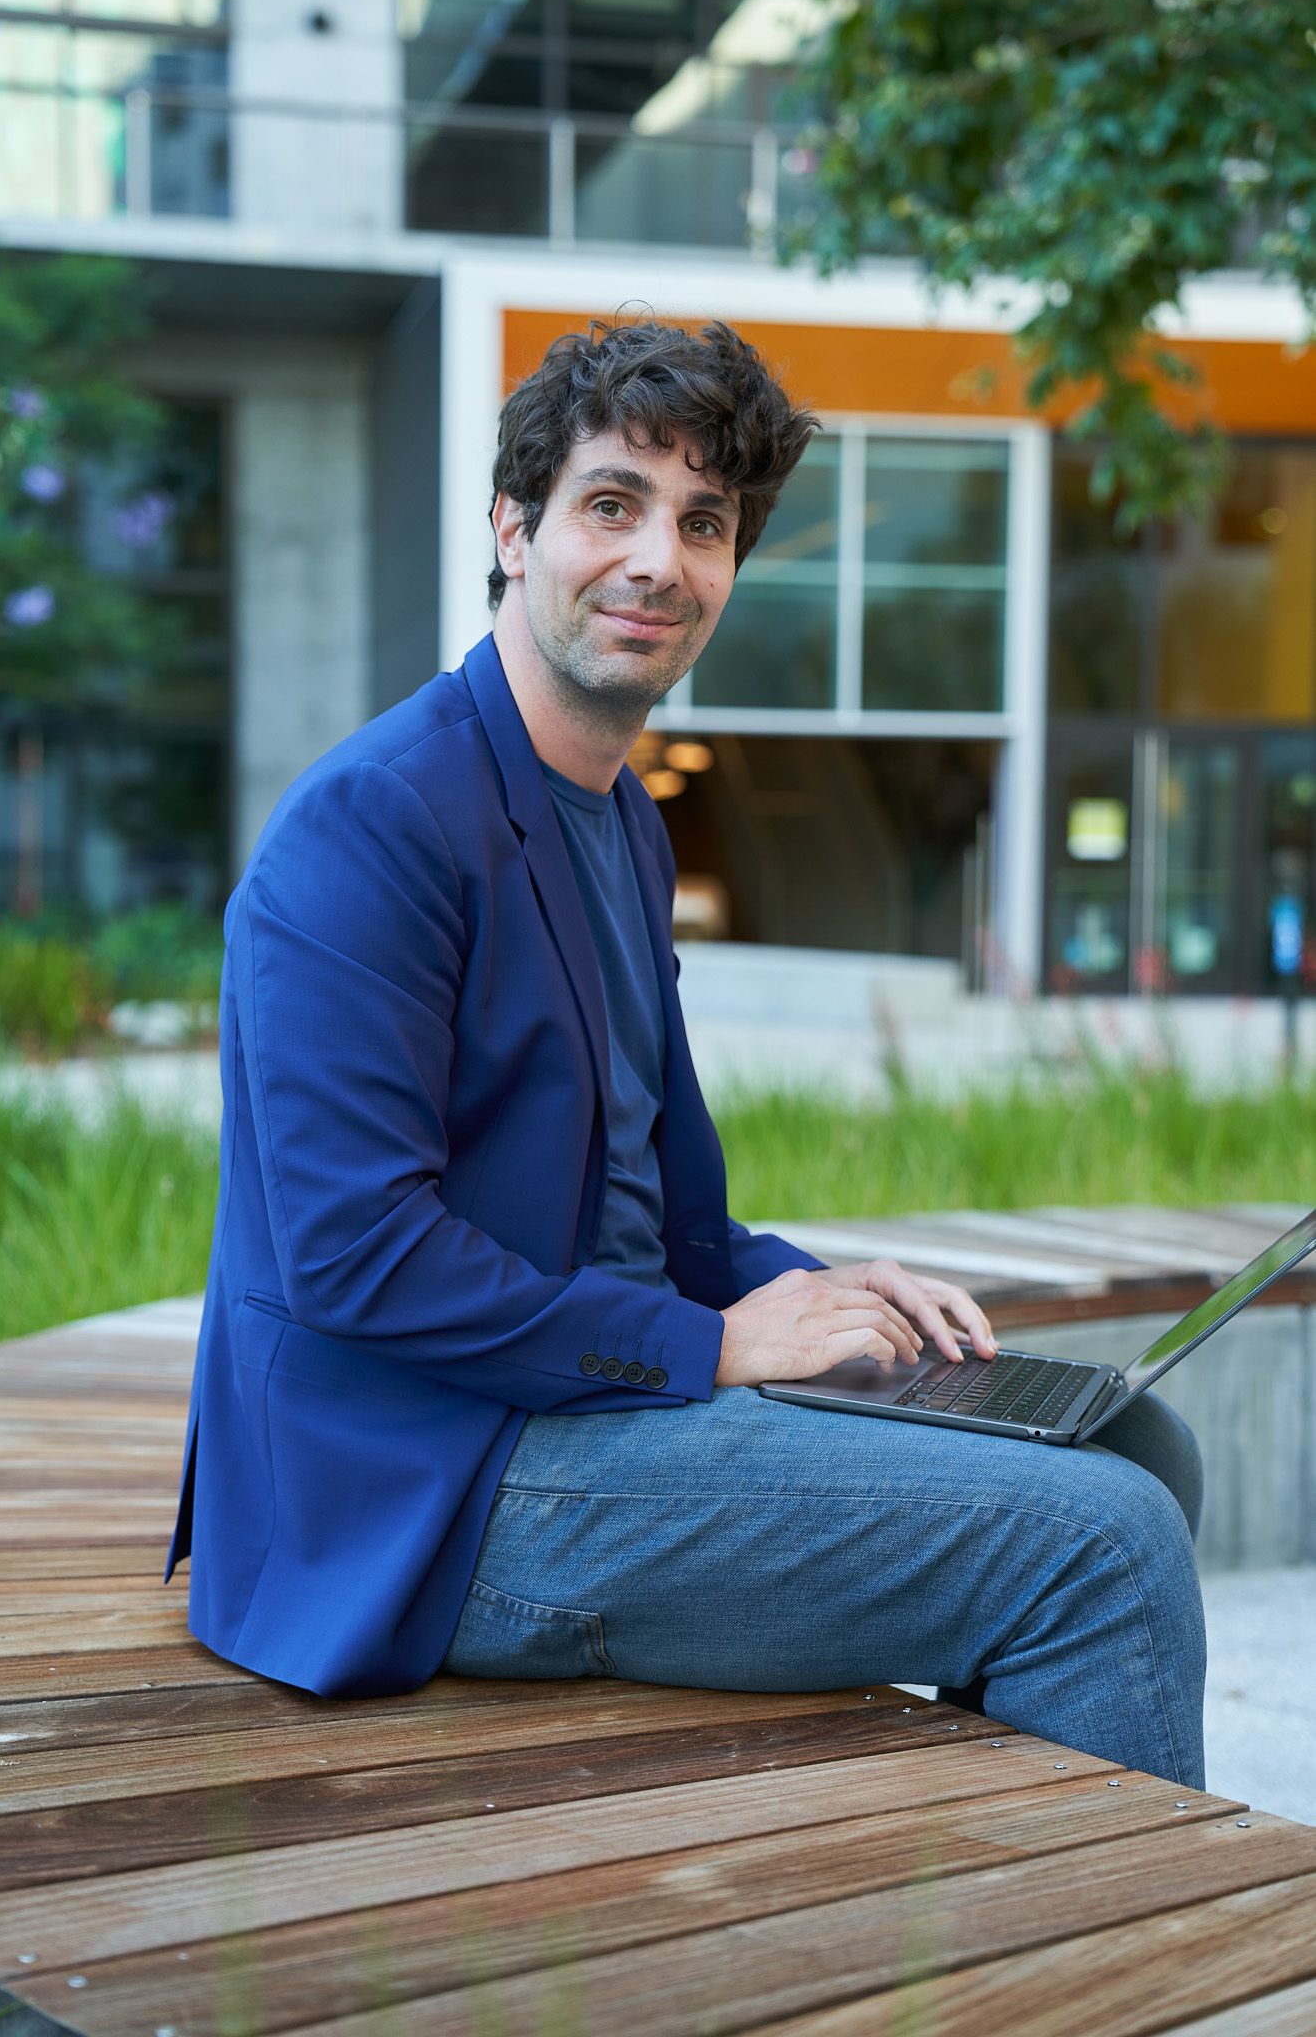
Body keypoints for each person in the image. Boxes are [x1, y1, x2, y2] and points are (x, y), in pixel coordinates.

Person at [166, 317, 1206, 1787]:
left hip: (584, 1402)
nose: (659, 557)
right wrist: (716, 1345)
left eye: (703, 522)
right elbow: (353, 1255)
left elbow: (666, 1215)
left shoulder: (625, 825)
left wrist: (812, 1287)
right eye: (612, 504)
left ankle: (977, 1905)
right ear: (511, 530)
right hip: (429, 1485)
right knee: (1097, 1546)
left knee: (1136, 1448)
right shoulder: (375, 824)